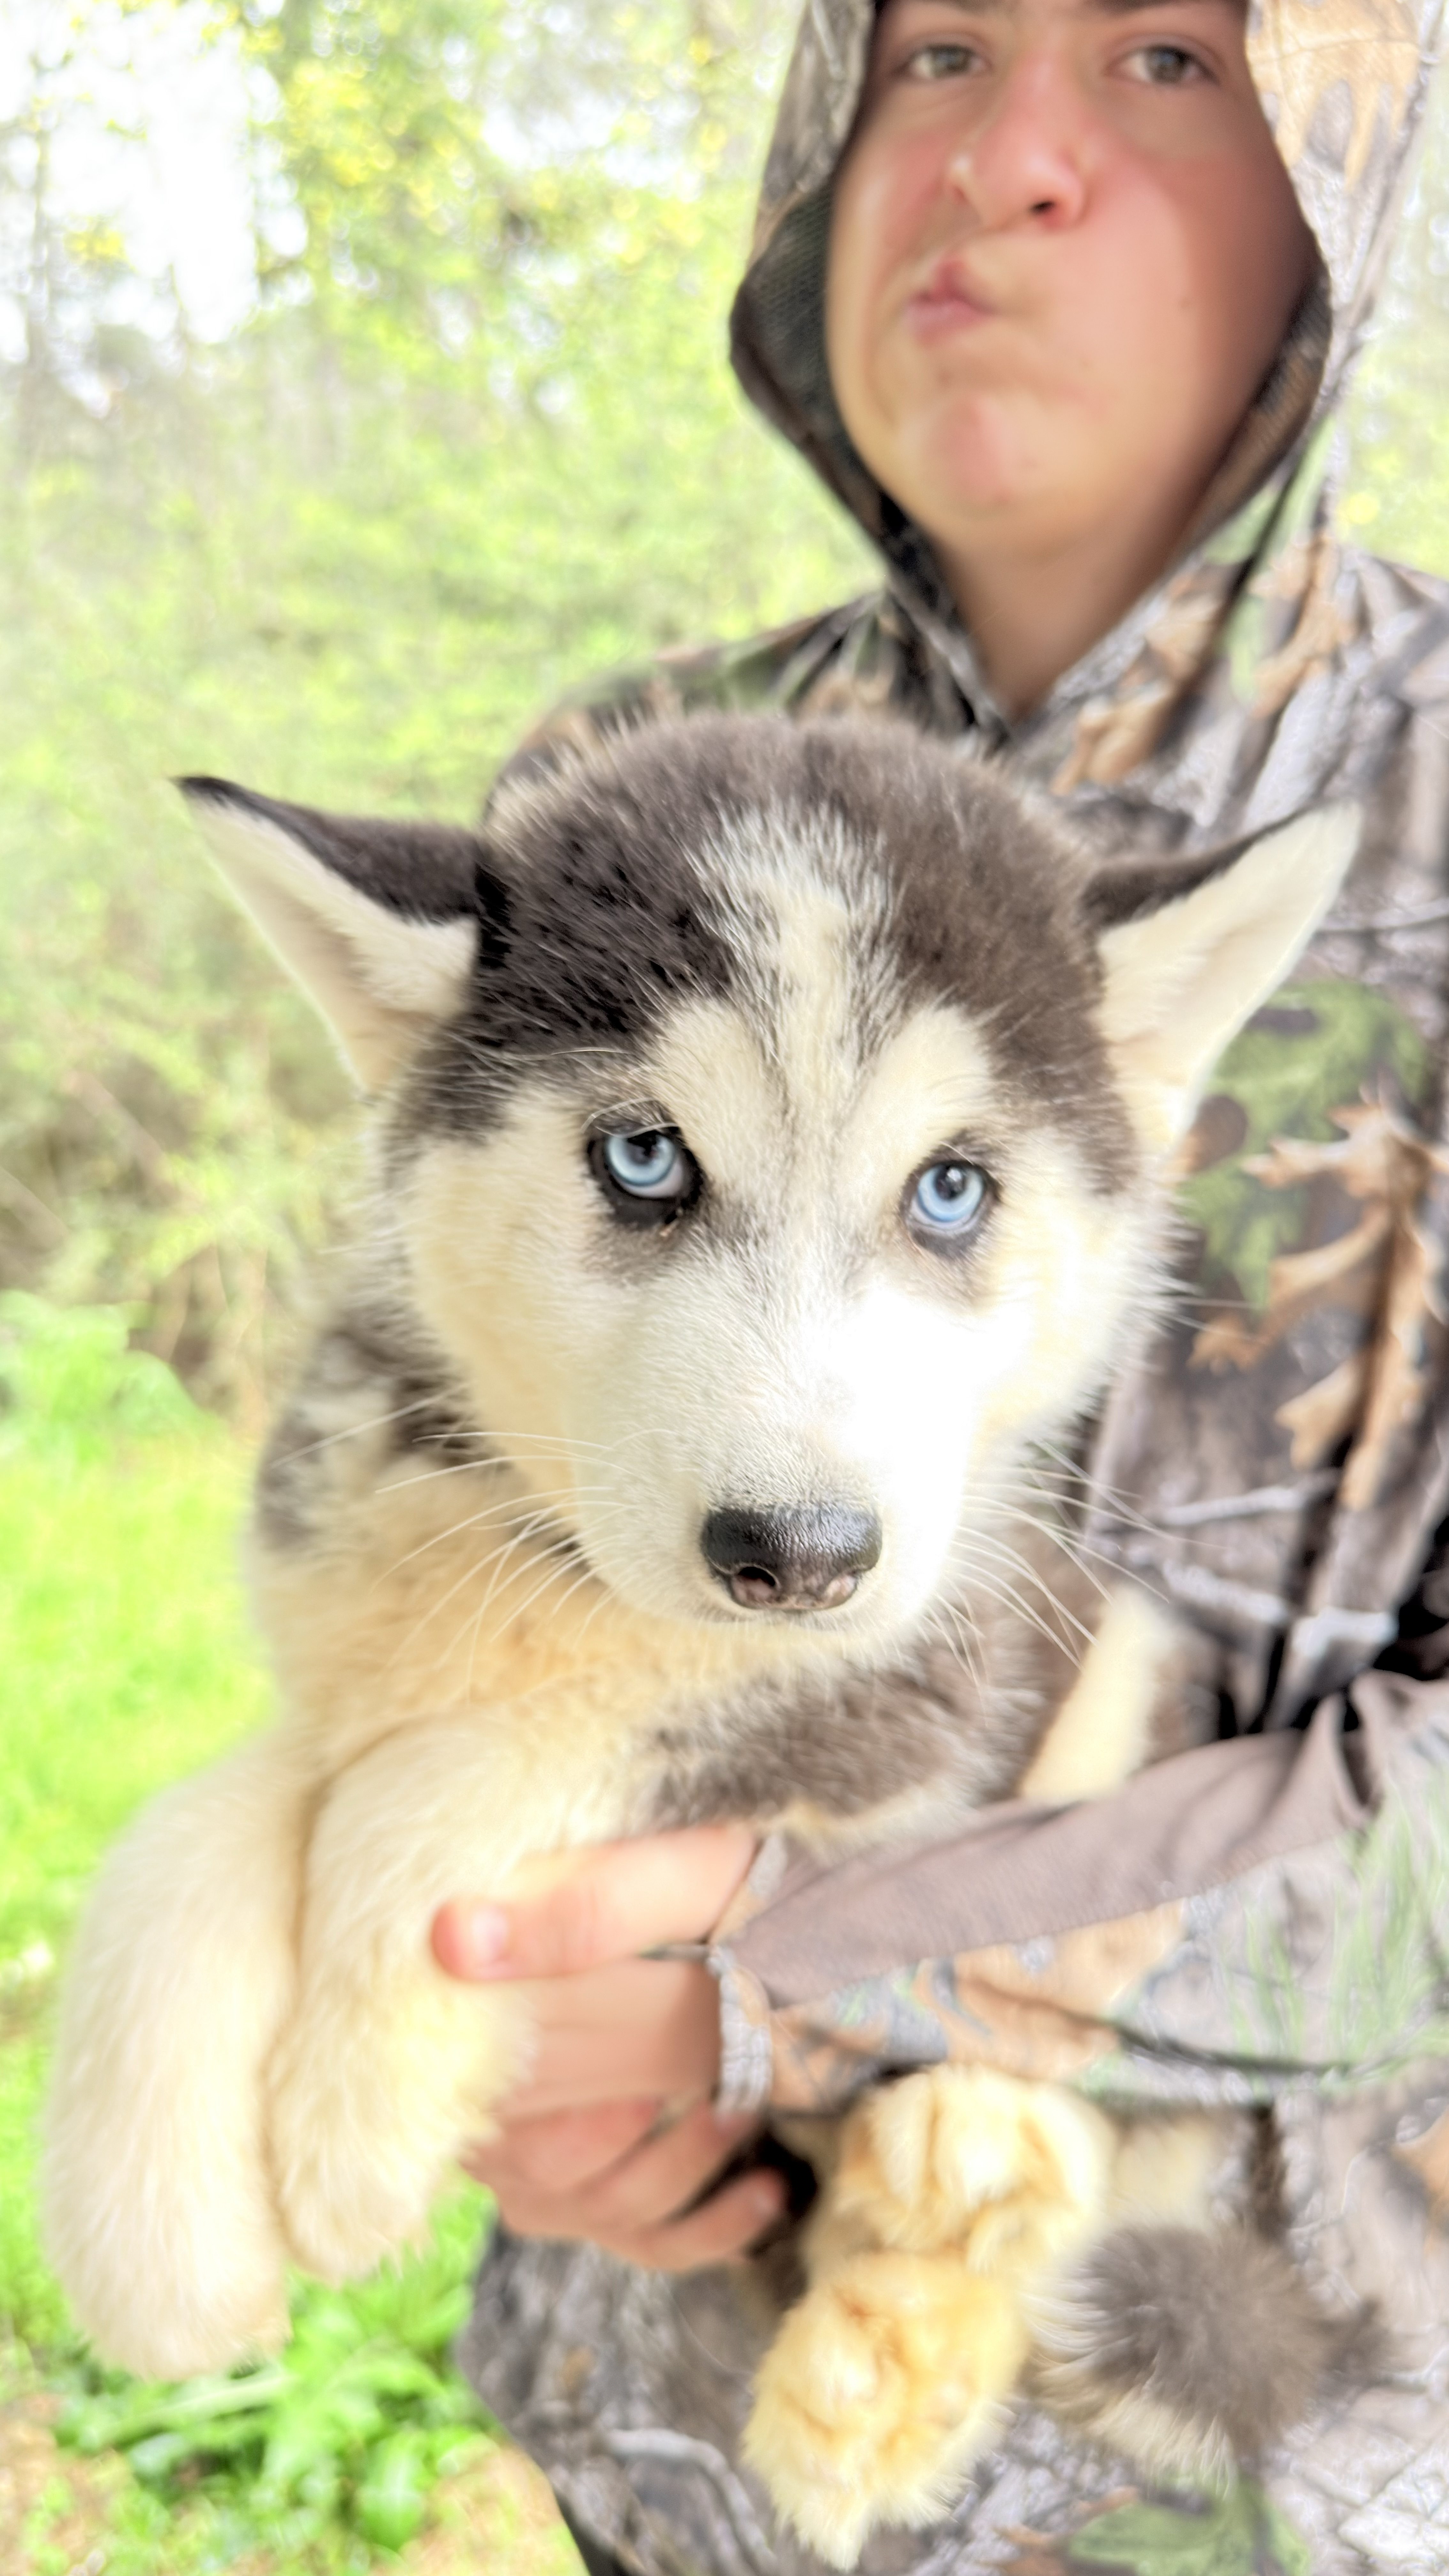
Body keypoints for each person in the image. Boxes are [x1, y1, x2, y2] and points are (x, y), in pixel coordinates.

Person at [432, 1, 1449, 2567]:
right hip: (677, 2447)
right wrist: (482, 1998)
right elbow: (438, 1525)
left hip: (1269, 2472)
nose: (1004, 162)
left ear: (1354, 160)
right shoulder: (613, 799)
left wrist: (792, 1973)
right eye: (940, 49)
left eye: (1164, 64)